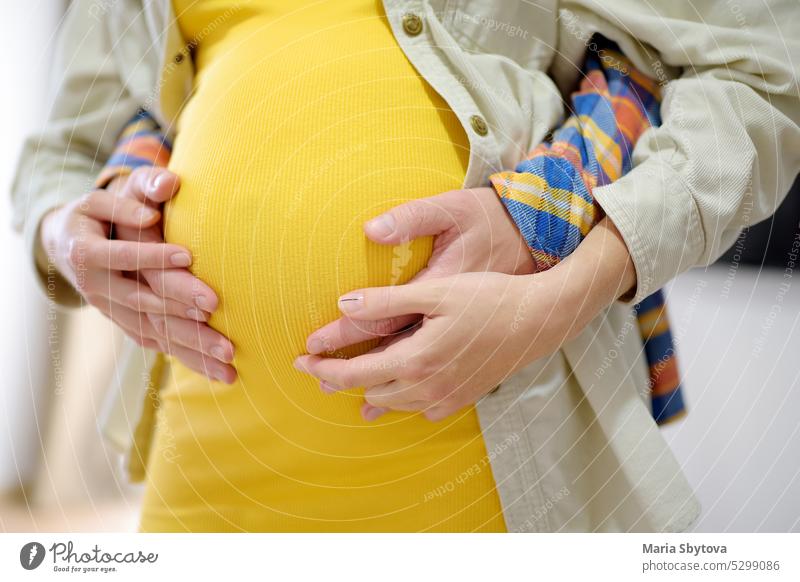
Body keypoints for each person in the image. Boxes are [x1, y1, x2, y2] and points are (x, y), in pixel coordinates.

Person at [12, 0, 800, 532]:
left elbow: (766, 76)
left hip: (491, 457)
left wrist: (565, 289)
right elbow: (67, 147)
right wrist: (64, 237)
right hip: (207, 458)